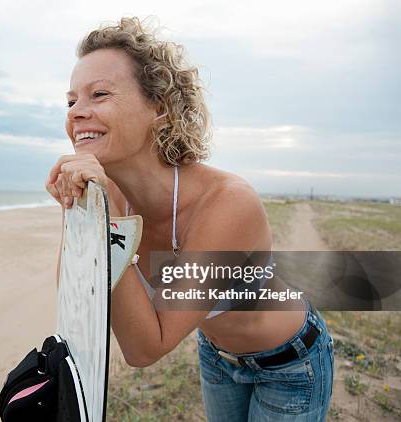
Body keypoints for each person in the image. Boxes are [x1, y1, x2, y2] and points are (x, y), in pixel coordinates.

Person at [45, 17, 334, 421]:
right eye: (71, 100)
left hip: (289, 363)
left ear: (159, 108)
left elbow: (147, 347)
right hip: (218, 357)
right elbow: (77, 297)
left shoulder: (228, 203)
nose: (77, 112)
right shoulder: (104, 194)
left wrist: (106, 225)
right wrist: (77, 210)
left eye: (100, 94)